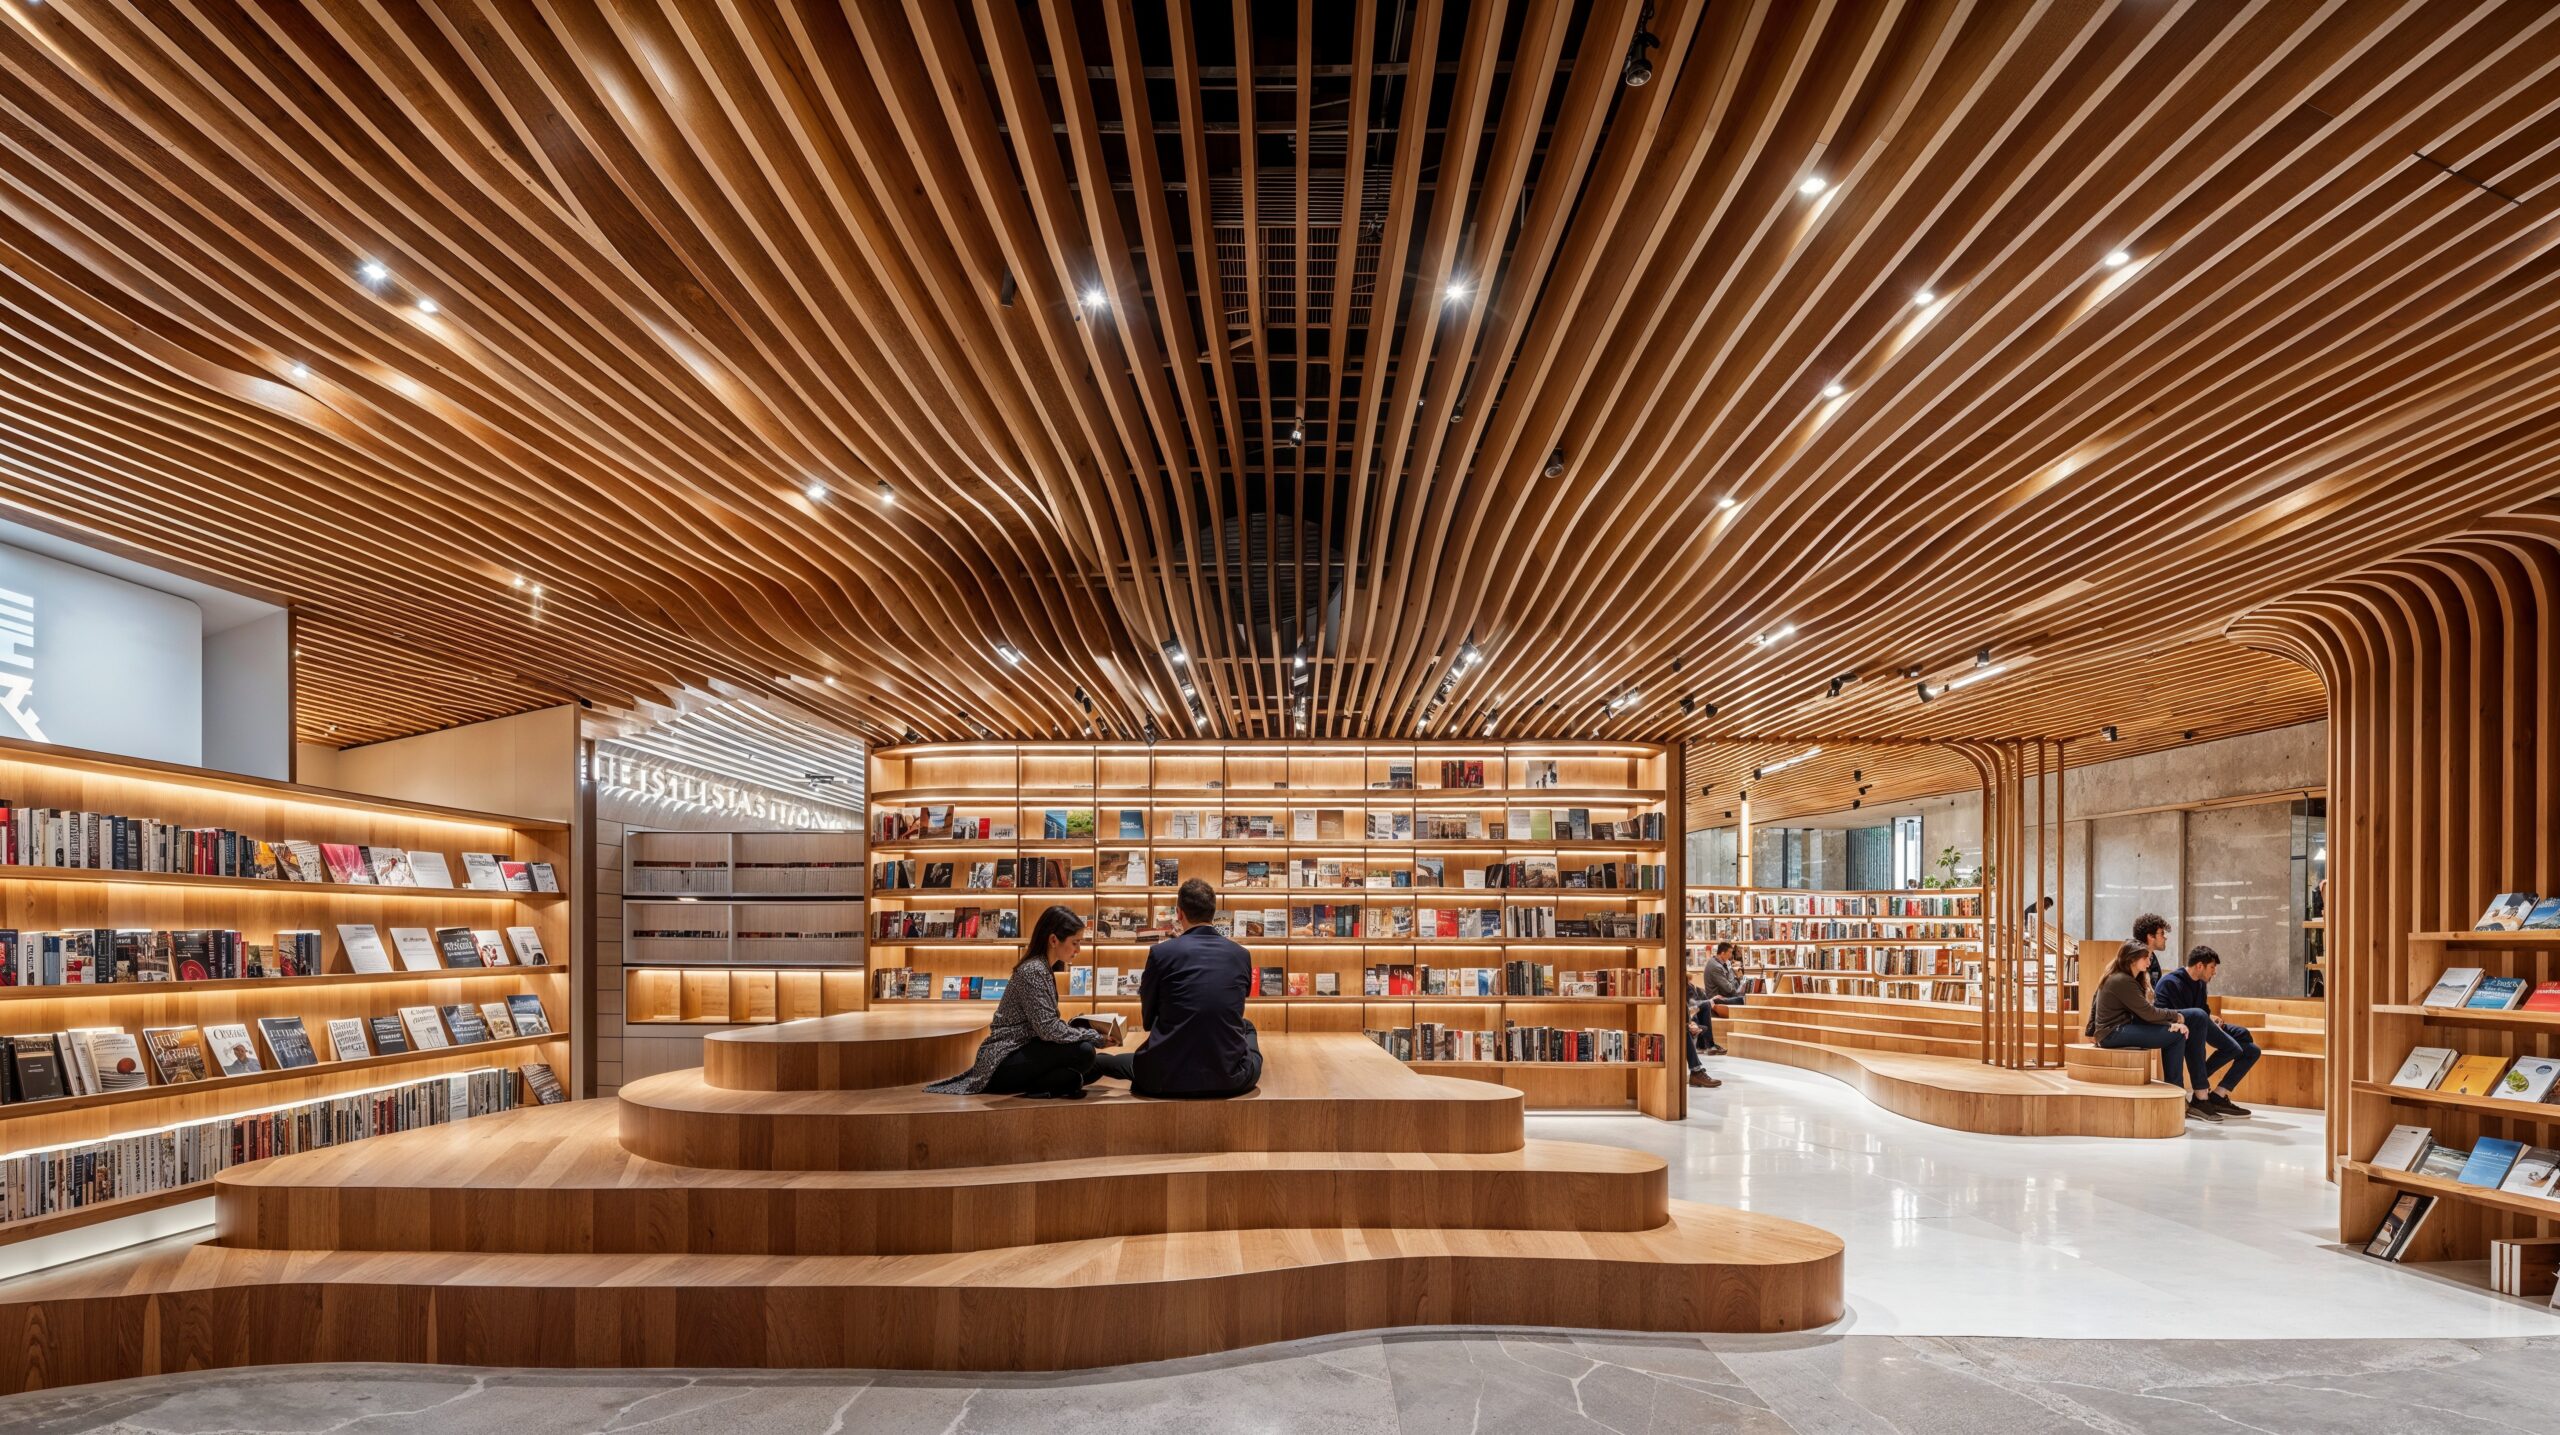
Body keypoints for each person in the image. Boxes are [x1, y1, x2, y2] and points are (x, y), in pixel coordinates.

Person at [1088, 877, 1261, 1097]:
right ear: (1214, 912)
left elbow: (1148, 1020)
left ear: (1179, 913)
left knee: (1125, 1062)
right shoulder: (1241, 955)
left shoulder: (1161, 953)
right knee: (1247, 1027)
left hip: (1164, 1078)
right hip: (1229, 1078)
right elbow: (1234, 1008)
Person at [926, 904, 1117, 1099]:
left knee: (1089, 1062)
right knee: (1085, 1052)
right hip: (1004, 1058)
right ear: (1053, 940)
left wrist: (1084, 1031)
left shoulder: (1043, 968)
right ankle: (1060, 1082)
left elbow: (1046, 1025)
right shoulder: (1033, 970)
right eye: (1075, 942)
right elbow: (1048, 1029)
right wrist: (1092, 1036)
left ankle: (1062, 1082)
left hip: (1024, 1049)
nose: (1079, 949)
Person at [2084, 939, 2219, 1123]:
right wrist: (2176, 1018)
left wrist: (2168, 1024)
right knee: (2180, 1032)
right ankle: (2177, 1095)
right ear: (2133, 959)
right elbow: (2147, 1013)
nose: (2149, 962)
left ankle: (2179, 1094)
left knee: (2191, 1021)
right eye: (2146, 958)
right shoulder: (2122, 980)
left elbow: (2143, 1013)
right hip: (2113, 1033)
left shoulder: (2127, 978)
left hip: (2123, 1027)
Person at [2152, 945, 2258, 1117]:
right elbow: (2160, 1012)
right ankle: (2200, 1091)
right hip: (2179, 1030)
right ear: (2200, 966)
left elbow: (2203, 1010)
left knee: (2251, 1049)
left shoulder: (2201, 984)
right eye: (2212, 967)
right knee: (2232, 1047)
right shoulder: (2169, 982)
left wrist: (2212, 1018)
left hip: (2202, 1024)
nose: (2214, 972)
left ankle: (2218, 1095)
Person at [1694, 940, 1744, 1057]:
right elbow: (1729, 989)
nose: (1731, 956)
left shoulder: (1719, 963)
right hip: (1718, 1000)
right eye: (1730, 953)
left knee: (1743, 997)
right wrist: (1736, 976)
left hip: (1722, 996)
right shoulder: (1716, 967)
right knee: (1744, 999)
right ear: (1723, 953)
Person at [1682, 977, 1722, 1089]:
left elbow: (1688, 1007)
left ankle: (1707, 1045)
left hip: (1684, 1021)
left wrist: (1691, 1023)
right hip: (1676, 1025)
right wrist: (1689, 1024)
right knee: (1685, 1031)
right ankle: (1696, 1072)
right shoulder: (1680, 985)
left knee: (1706, 1005)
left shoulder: (1686, 985)